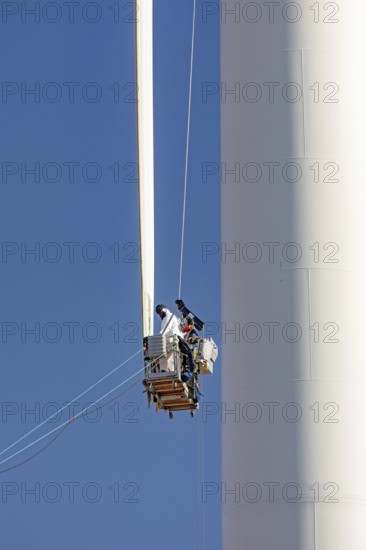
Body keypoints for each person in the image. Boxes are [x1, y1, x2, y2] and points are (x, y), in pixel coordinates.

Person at [155, 304, 195, 372]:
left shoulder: (169, 317)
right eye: (159, 314)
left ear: (164, 310)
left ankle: (165, 369)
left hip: (171, 339)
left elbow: (180, 328)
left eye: (160, 313)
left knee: (167, 354)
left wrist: (188, 327)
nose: (160, 315)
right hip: (174, 339)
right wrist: (160, 336)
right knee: (188, 353)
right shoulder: (169, 317)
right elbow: (167, 328)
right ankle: (191, 369)